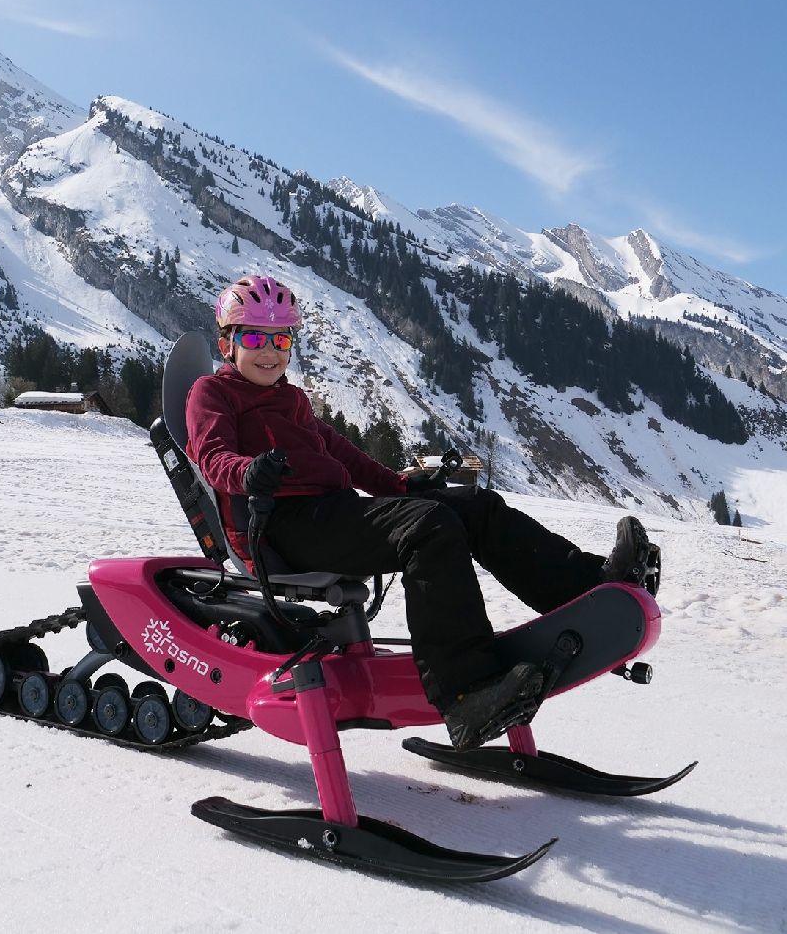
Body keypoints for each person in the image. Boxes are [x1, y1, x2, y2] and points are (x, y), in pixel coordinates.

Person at [185, 275, 656, 751]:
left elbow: (343, 455)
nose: (269, 351)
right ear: (228, 343)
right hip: (279, 527)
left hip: (333, 513)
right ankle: (465, 691)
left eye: (280, 339)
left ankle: (589, 587)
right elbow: (211, 456)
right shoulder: (213, 393)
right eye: (253, 338)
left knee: (472, 506)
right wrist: (248, 474)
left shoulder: (292, 400)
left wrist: (403, 485)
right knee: (429, 528)